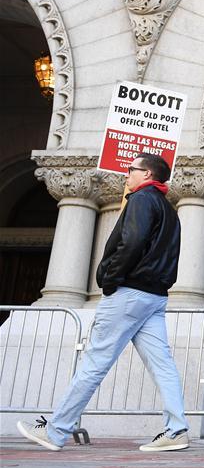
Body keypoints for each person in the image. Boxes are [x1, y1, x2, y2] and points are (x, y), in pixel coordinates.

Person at [17, 153, 188, 452]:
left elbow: (131, 242)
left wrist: (109, 277)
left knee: (94, 363)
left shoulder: (142, 200)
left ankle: (56, 431)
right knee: (163, 366)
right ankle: (176, 430)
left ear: (147, 174)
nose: (126, 174)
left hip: (129, 294)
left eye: (131, 169)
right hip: (155, 297)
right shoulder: (170, 210)